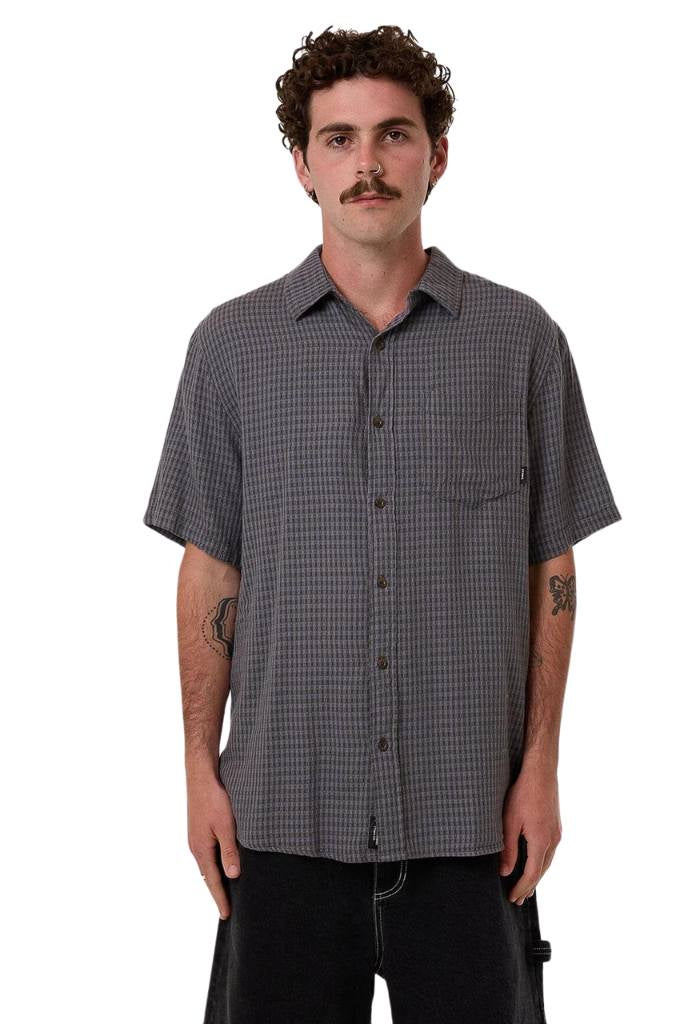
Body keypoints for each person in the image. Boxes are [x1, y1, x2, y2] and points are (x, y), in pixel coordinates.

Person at [142, 24, 622, 1024]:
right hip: (279, 821)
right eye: (339, 138)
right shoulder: (230, 348)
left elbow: (550, 568)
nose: (366, 162)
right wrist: (197, 771)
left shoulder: (520, 341)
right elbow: (210, 571)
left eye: (393, 134)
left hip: (471, 826)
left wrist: (541, 767)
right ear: (302, 164)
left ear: (436, 155)